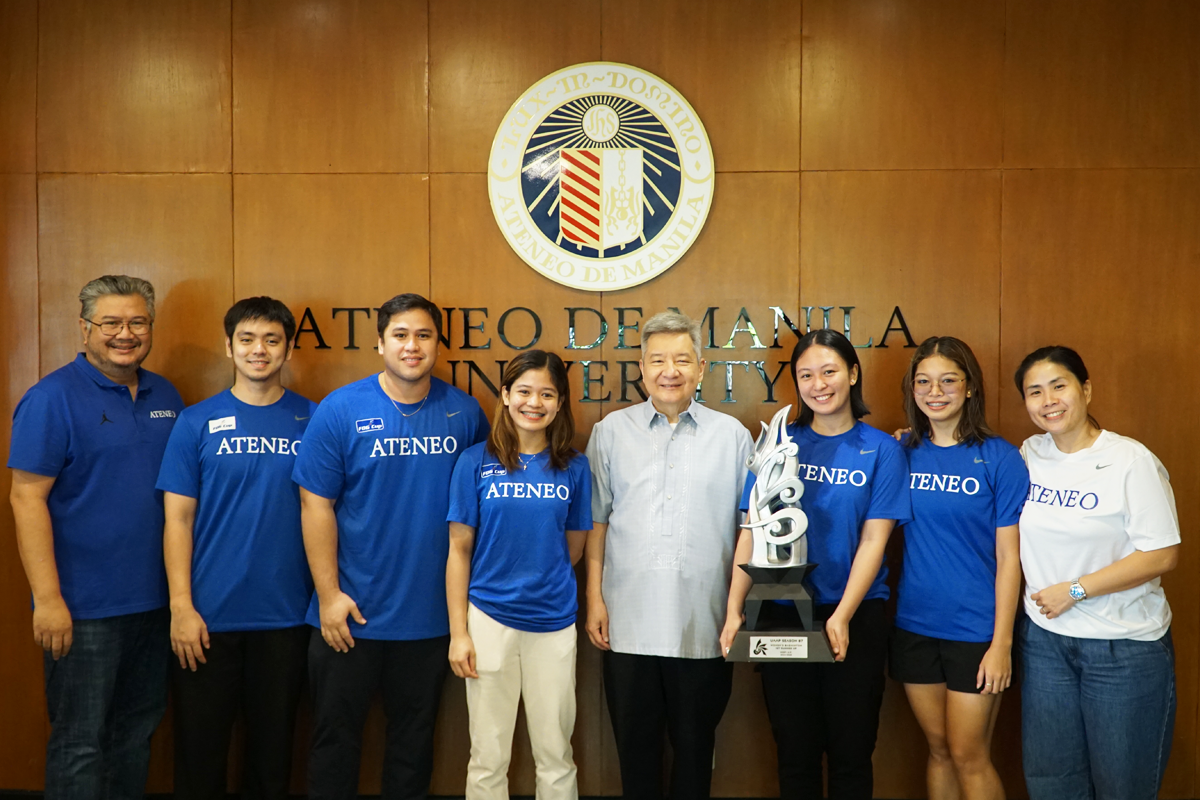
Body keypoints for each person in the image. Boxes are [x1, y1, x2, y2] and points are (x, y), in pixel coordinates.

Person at [292, 293, 489, 800]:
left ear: (438, 345)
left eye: (424, 335)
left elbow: (481, 510)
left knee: (412, 748)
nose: (412, 346)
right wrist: (329, 595)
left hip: (430, 619)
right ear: (380, 343)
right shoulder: (341, 409)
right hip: (348, 615)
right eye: (400, 335)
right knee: (335, 743)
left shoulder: (465, 413)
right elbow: (315, 505)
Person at [8, 275, 183, 798]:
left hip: (156, 605)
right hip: (82, 610)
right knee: (80, 742)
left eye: (137, 322)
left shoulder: (166, 395)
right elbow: (26, 499)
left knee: (135, 733)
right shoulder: (50, 398)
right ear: (84, 328)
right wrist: (47, 600)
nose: (125, 334)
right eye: (111, 323)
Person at [723, 328, 910, 800]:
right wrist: (733, 610)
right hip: (783, 611)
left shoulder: (882, 450)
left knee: (851, 754)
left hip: (856, 615)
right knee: (795, 754)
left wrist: (842, 615)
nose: (818, 384)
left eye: (829, 371)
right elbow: (752, 530)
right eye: (805, 375)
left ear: (852, 374)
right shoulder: (779, 445)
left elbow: (875, 540)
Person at [585, 311, 753, 800]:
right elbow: (596, 522)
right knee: (635, 757)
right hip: (627, 624)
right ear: (642, 368)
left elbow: (749, 529)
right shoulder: (610, 432)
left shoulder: (733, 436)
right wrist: (594, 598)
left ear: (701, 367)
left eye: (681, 359)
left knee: (696, 755)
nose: (669, 371)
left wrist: (735, 609)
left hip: (705, 627)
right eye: (657, 360)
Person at [156, 297, 315, 800]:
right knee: (200, 757)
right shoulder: (196, 422)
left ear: (288, 347)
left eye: (271, 339)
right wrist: (181, 606)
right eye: (246, 339)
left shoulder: (314, 420)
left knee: (272, 760)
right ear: (229, 347)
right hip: (207, 620)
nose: (258, 350)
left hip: (287, 617)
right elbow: (177, 520)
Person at [1015, 345, 1178, 800]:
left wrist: (1075, 590)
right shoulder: (1029, 453)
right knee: (1052, 784)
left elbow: (1161, 553)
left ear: (1085, 389)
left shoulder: (1130, 460)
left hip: (1122, 648)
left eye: (1059, 386)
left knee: (1122, 787)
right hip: (1045, 645)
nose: (1048, 400)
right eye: (1035, 391)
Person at [446, 350, 592, 800]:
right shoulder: (475, 461)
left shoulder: (575, 467)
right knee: (487, 757)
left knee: (555, 752)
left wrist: (539, 580)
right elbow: (459, 550)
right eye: (524, 391)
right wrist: (459, 633)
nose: (535, 402)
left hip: (553, 622)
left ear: (560, 402)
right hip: (488, 620)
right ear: (506, 395)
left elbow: (573, 548)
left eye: (547, 394)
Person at [890, 337, 1028, 800]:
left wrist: (1001, 644)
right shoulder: (902, 451)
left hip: (976, 630)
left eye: (948, 380)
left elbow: (1010, 558)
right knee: (939, 751)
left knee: (970, 755)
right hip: (914, 624)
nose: (935, 392)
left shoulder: (1000, 458)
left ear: (969, 387)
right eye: (923, 382)